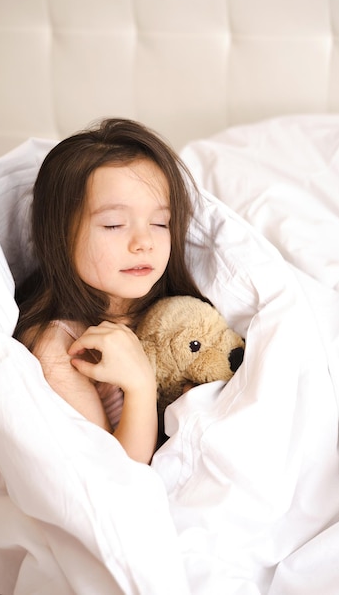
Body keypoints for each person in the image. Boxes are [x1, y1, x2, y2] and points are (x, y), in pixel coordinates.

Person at [14, 117, 207, 464]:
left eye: (160, 223)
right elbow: (117, 473)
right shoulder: (61, 348)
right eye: (114, 224)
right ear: (59, 234)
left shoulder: (175, 307)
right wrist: (140, 386)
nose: (143, 242)